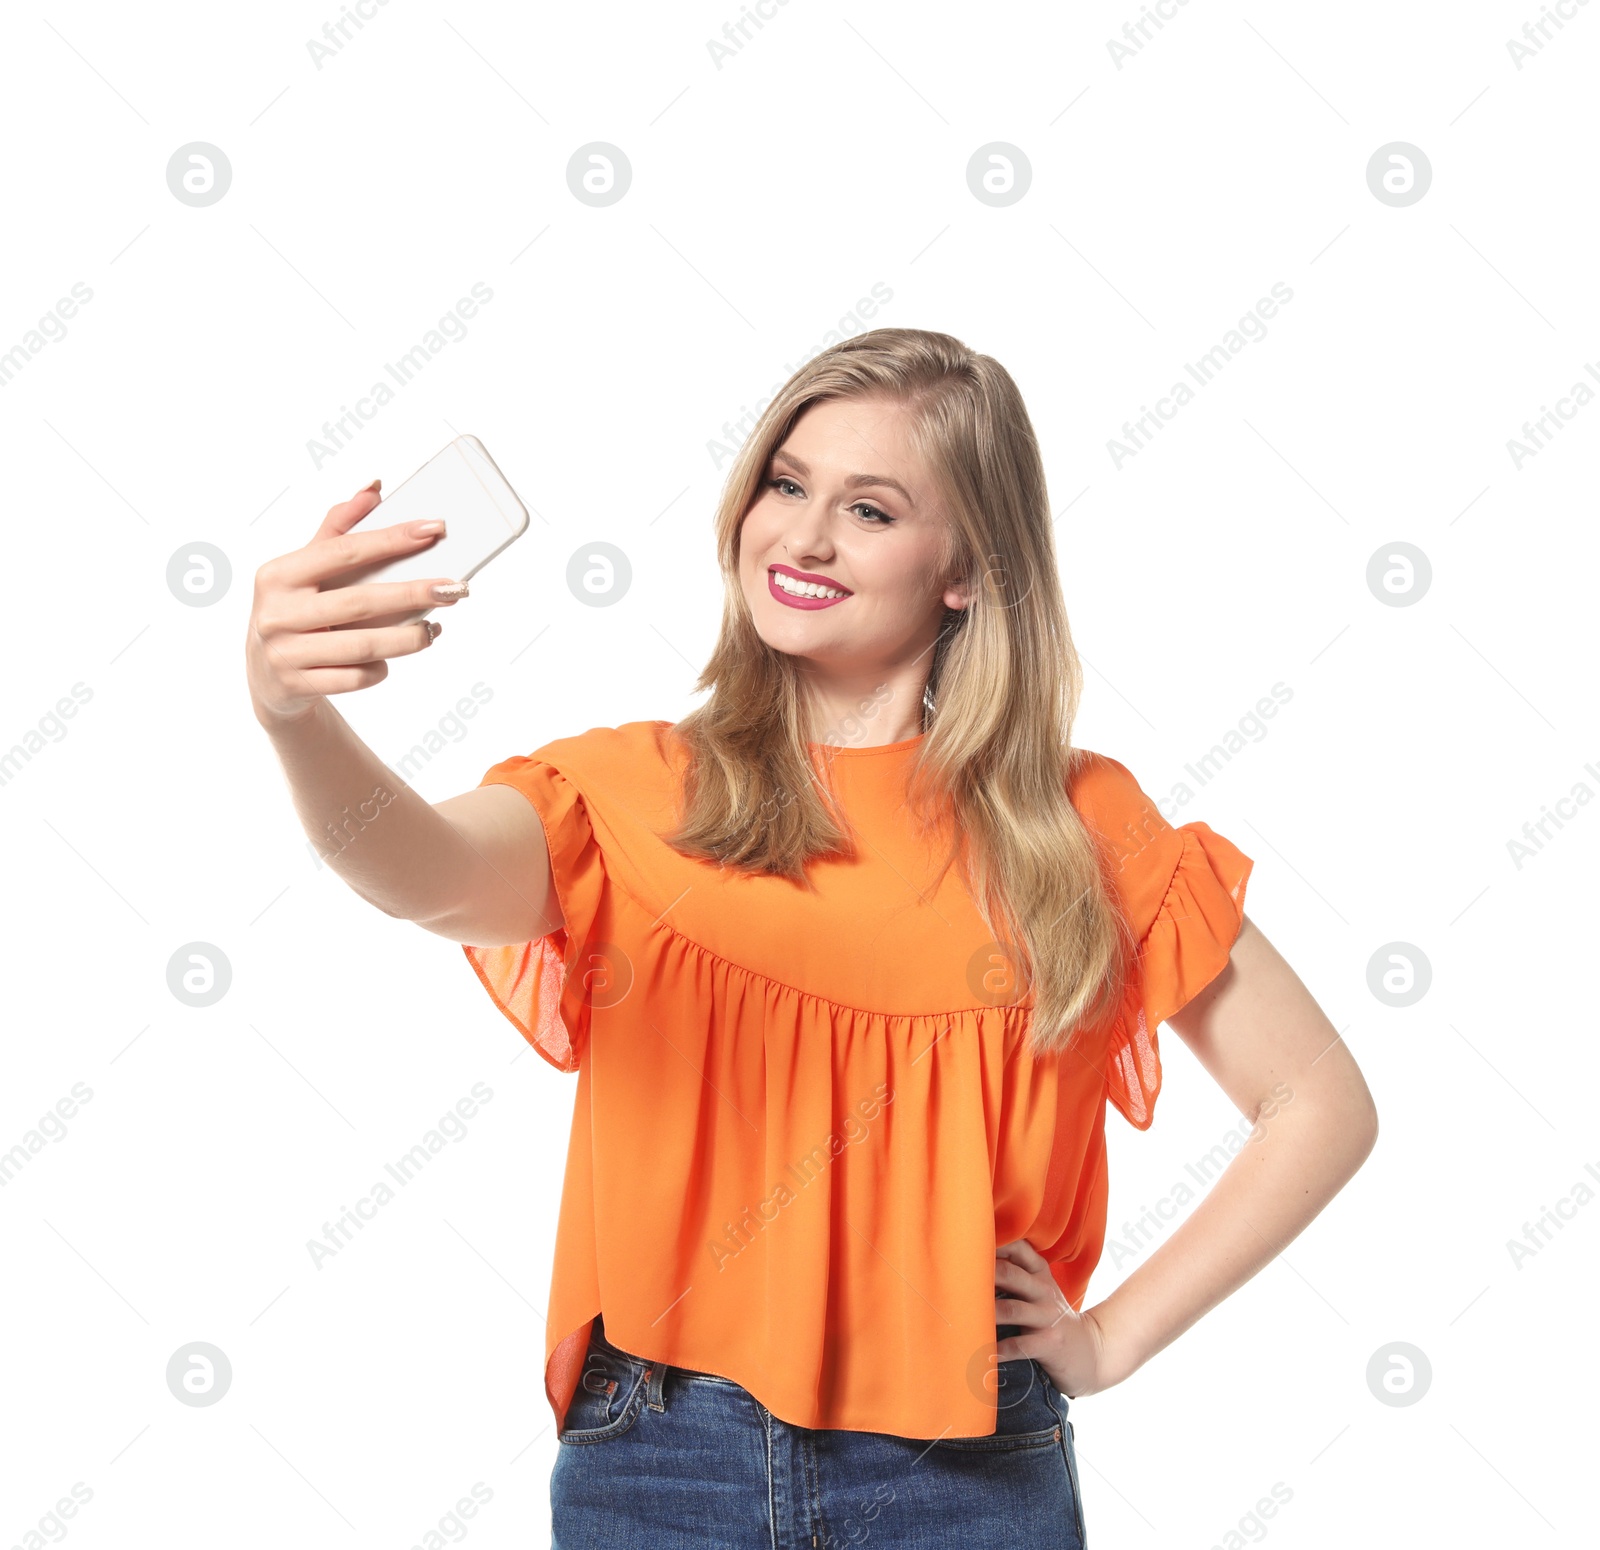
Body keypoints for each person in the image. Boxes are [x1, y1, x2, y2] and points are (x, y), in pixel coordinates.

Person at [245, 328, 1378, 1549]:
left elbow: (1318, 1104)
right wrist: (291, 711)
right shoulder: (634, 792)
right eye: (787, 484)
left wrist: (1108, 1337)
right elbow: (419, 873)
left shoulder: (1081, 831)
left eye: (870, 509)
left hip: (966, 1469)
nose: (802, 534)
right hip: (660, 1457)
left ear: (965, 569)